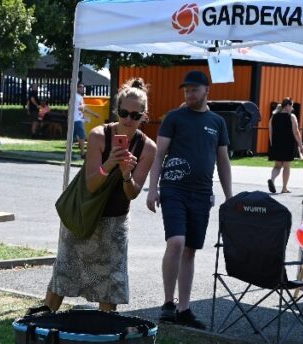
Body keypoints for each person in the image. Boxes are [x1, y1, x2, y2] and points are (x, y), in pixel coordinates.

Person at [30, 78, 157, 314]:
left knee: (111, 278)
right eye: (123, 113)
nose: (128, 120)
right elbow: (91, 183)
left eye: (135, 116)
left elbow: (132, 193)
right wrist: (110, 163)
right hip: (85, 211)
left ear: (144, 116)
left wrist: (126, 174)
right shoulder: (99, 135)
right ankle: (45, 319)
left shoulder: (148, 148)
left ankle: (105, 327)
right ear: (116, 110)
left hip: (115, 220)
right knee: (66, 268)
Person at [146, 70, 233, 329]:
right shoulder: (174, 117)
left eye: (194, 89)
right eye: (186, 89)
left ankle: (184, 308)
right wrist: (153, 189)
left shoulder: (217, 122)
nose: (189, 93)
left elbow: (223, 161)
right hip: (173, 189)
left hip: (202, 193)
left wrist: (229, 197)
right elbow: (159, 154)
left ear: (207, 90)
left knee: (190, 250)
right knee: (176, 241)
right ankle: (167, 304)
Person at [266, 98, 303, 194]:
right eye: (291, 106)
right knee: (286, 166)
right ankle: (284, 188)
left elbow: (270, 132)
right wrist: (301, 145)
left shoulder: (273, 117)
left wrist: (272, 144)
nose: (292, 108)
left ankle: (272, 179)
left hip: (276, 144)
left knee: (277, 166)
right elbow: (296, 132)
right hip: (288, 143)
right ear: (287, 106)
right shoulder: (291, 117)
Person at [71, 83, 98, 158]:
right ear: (77, 88)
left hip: (77, 119)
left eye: (83, 87)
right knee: (82, 136)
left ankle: (70, 152)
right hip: (77, 120)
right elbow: (82, 108)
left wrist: (85, 118)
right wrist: (94, 114)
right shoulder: (76, 97)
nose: (82, 89)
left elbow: (81, 108)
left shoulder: (79, 97)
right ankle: (82, 152)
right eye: (80, 87)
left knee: (74, 138)